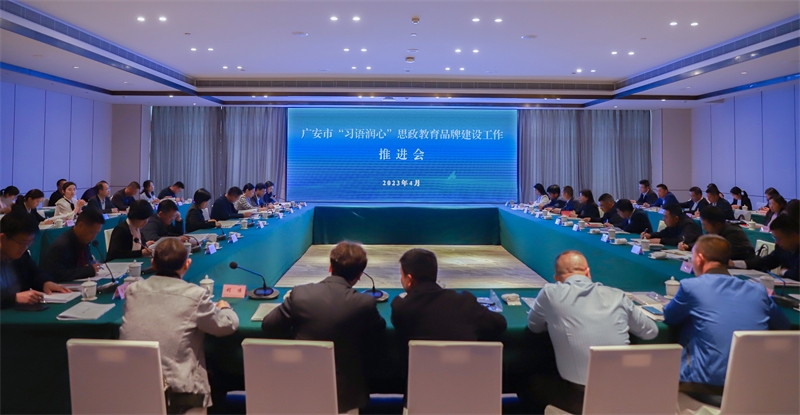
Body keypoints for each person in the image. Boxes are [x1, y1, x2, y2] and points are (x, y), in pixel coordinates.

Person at [525, 251, 658, 413]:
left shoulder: (549, 293)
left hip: (580, 398)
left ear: (557, 279)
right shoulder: (617, 295)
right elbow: (651, 332)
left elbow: (534, 326)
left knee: (528, 381)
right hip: (625, 395)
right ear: (588, 272)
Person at [261, 241, 386, 414]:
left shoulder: (300, 294)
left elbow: (268, 325)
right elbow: (379, 332)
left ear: (330, 267)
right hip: (345, 397)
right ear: (359, 275)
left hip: (301, 387)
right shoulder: (364, 303)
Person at [664, 235, 789, 404]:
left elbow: (670, 317)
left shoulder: (691, 286)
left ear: (699, 258)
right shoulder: (758, 291)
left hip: (703, 387)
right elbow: (783, 326)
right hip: (754, 388)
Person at [120, 238, 238, 412]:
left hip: (133, 386)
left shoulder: (133, 290)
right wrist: (225, 308)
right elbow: (226, 326)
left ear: (153, 263)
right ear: (187, 264)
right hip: (178, 394)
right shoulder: (195, 294)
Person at [391, 248, 507, 374]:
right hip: (465, 381)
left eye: (401, 275)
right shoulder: (465, 302)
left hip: (419, 383)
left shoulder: (401, 307)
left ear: (409, 279)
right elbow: (500, 324)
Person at [1, 212, 71, 309]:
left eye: (29, 243)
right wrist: (14, 298)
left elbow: (34, 273)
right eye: (22, 243)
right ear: (3, 238)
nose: (25, 248)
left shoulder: (20, 254)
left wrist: (45, 283)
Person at [42, 208, 105, 282]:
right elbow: (55, 274)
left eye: (96, 233)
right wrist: (87, 271)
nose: (94, 237)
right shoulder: (61, 245)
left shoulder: (83, 239)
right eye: (92, 232)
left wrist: (91, 265)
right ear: (81, 225)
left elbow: (87, 262)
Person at [731, 215, 799, 281]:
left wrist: (785, 272)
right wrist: (734, 263)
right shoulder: (781, 249)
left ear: (794, 236)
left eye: (779, 238)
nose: (776, 242)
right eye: (775, 238)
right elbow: (765, 262)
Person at [680, 206, 755, 260]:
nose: (703, 228)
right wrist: (688, 246)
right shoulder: (713, 230)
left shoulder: (733, 232)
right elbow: (706, 243)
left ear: (718, 225)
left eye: (704, 225)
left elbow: (722, 253)